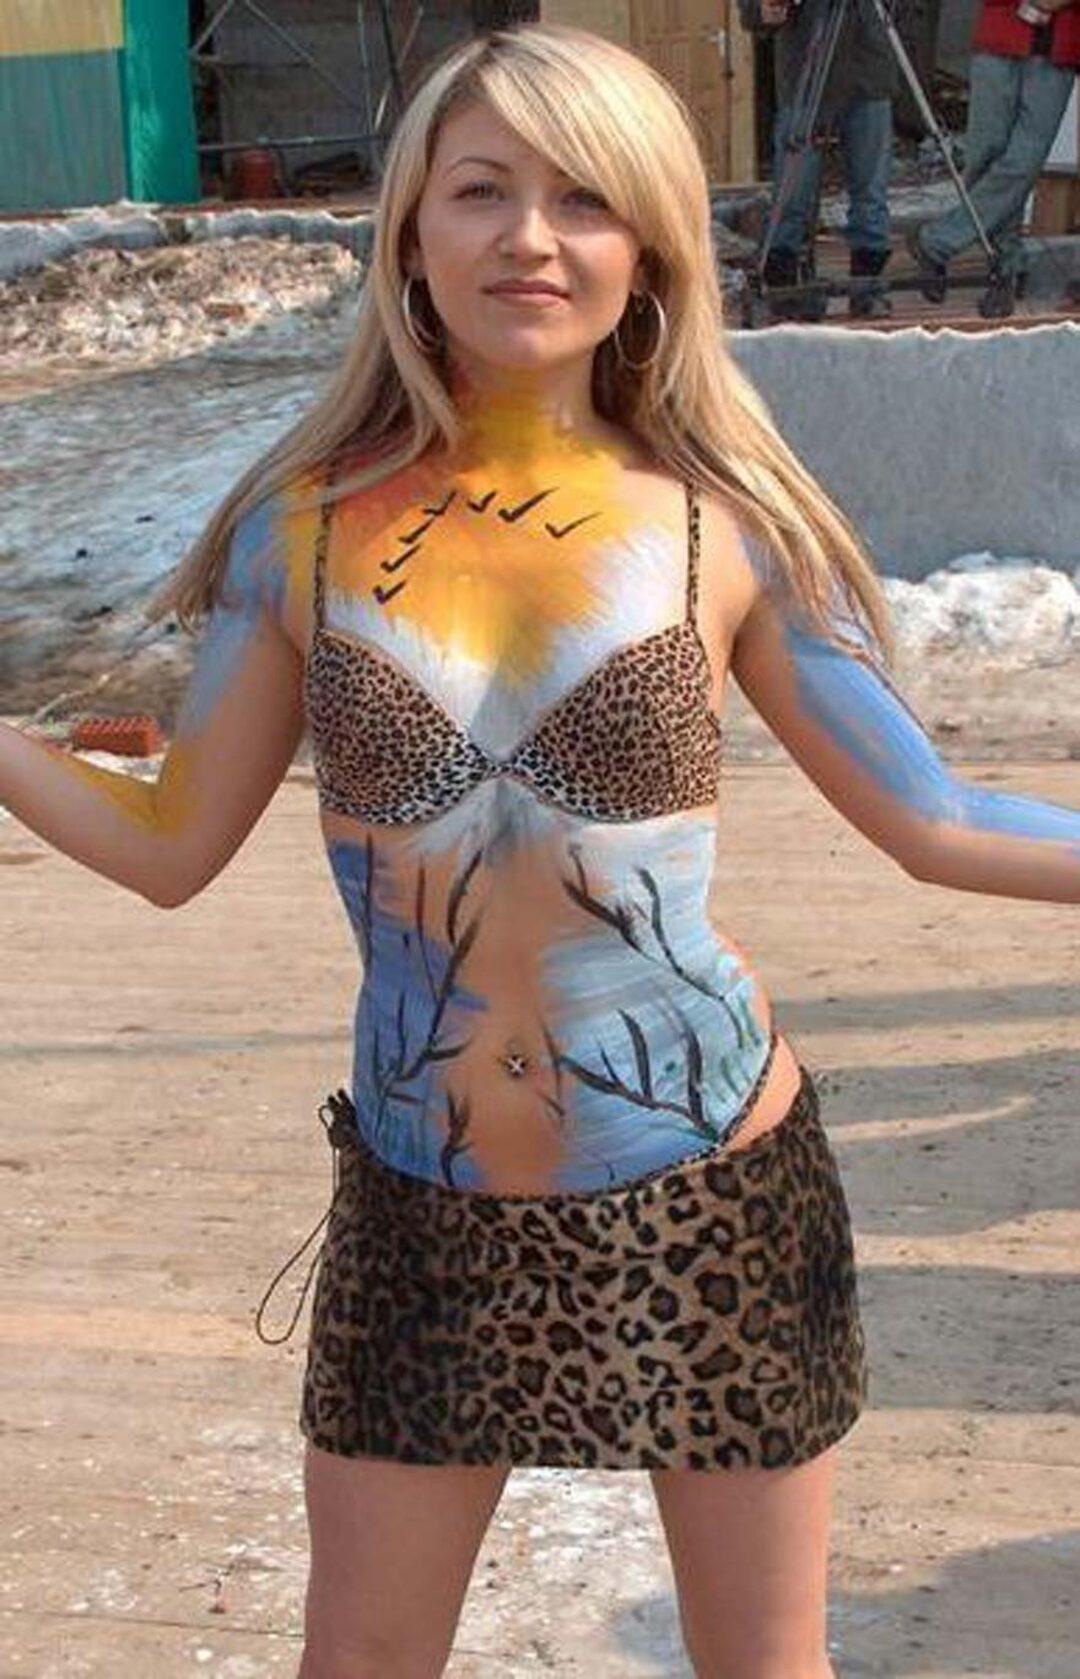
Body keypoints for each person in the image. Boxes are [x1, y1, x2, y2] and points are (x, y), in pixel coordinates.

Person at [4, 21, 1079, 1679]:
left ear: (650, 244)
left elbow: (936, 817)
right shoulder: (302, 528)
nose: (530, 236)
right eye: (481, 190)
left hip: (713, 1185)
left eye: (584, 198)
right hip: (425, 1202)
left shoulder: (725, 521)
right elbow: (168, 840)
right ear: (409, 234)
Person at [907, 0, 1080, 318]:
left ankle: (938, 241)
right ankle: (1005, 264)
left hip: (1060, 47)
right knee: (985, 155)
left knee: (1025, 162)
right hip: (1001, 35)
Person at [739, 0, 900, 317]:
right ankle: (784, 284)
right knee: (793, 189)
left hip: (867, 70)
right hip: (806, 66)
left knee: (870, 190)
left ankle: (867, 287)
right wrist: (760, 10)